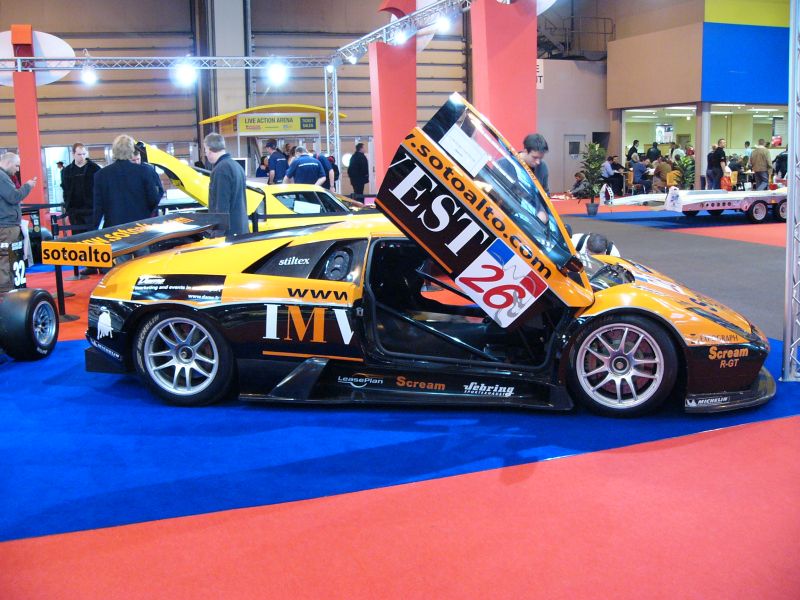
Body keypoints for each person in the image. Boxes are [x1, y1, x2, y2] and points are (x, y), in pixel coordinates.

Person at [93, 135, 161, 233]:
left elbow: (98, 207)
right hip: (141, 227)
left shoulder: (101, 175)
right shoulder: (145, 171)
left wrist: (93, 230)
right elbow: (154, 199)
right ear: (131, 150)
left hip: (113, 229)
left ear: (114, 150)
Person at [0, 153, 37, 292]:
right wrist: (28, 186)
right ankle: (5, 292)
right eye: (16, 166)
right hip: (6, 226)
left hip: (6, 225)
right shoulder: (2, 177)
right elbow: (13, 197)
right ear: (9, 163)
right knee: (6, 259)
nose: (17, 169)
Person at [203, 133, 248, 236]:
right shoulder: (237, 166)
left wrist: (217, 235)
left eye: (205, 150)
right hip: (240, 229)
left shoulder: (221, 170)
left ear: (209, 149)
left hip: (228, 234)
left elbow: (222, 205)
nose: (206, 153)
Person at [61, 142, 101, 234]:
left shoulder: (95, 169)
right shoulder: (66, 171)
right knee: (77, 238)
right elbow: (65, 191)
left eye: (84, 154)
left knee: (93, 237)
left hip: (91, 210)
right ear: (73, 154)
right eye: (79, 154)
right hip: (74, 211)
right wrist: (68, 209)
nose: (82, 157)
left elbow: (99, 189)